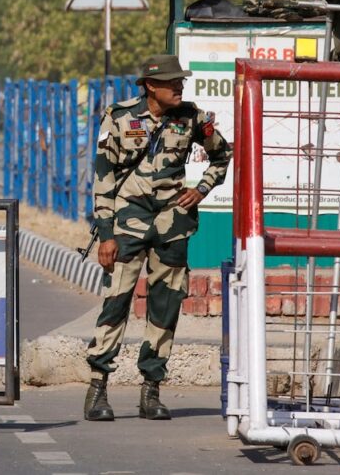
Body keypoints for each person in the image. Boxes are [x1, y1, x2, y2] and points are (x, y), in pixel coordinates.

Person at [83, 55, 230, 422]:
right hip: (126, 226)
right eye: (171, 82)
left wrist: (201, 189)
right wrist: (105, 234)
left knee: (165, 308)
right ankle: (98, 387)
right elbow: (102, 179)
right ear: (151, 86)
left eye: (180, 81)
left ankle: (151, 390)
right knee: (116, 303)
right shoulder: (119, 118)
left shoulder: (193, 118)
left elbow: (223, 155)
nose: (178, 86)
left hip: (172, 226)